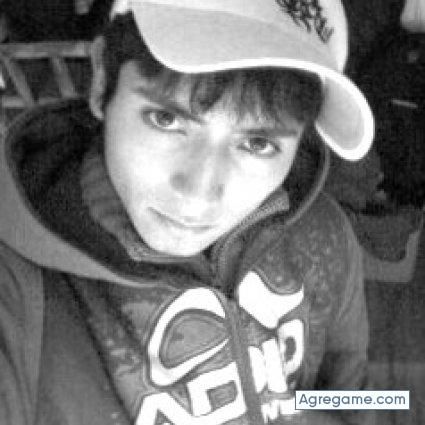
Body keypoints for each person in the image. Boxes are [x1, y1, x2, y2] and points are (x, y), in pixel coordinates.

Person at [0, 0, 375, 424]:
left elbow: (353, 394)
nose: (198, 195)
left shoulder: (325, 234)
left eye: (257, 144)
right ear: (103, 78)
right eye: (165, 119)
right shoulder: (19, 286)